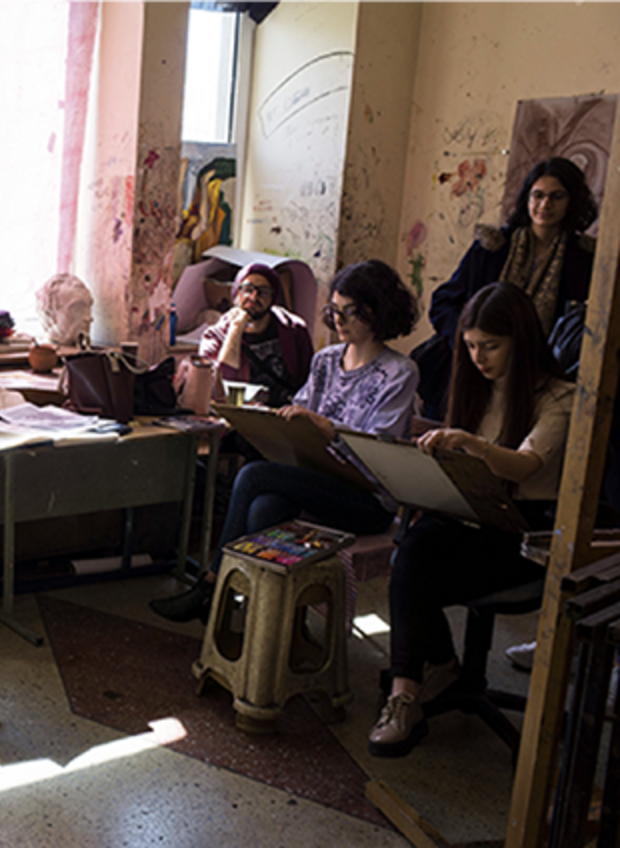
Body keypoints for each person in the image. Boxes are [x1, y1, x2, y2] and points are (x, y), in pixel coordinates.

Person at [151, 260, 419, 624]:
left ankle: (212, 586)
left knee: (254, 475)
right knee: (265, 508)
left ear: (378, 310)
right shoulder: (326, 361)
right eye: (334, 310)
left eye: (350, 311)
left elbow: (381, 448)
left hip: (366, 499)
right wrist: (273, 424)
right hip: (319, 480)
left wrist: (328, 429)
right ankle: (269, 625)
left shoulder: (399, 372)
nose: (338, 320)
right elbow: (299, 414)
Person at [369, 282, 573, 758]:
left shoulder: (558, 396)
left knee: (415, 564)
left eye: (491, 346)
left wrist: (472, 445)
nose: (479, 358)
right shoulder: (477, 387)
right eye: (471, 346)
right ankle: (408, 690)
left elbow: (525, 466)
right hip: (470, 515)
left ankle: (425, 679)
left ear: (521, 340)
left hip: (525, 534)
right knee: (413, 548)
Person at [415, 156, 597, 420]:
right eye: (538, 195)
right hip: (469, 373)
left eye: (557, 197)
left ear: (572, 201)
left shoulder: (584, 260)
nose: (545, 205)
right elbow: (443, 302)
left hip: (536, 380)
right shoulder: (492, 247)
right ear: (527, 198)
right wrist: (471, 344)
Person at [200, 263, 314, 408]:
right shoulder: (215, 335)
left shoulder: (293, 330)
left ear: (273, 298)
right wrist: (236, 329)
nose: (253, 297)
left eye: (263, 292)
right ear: (236, 293)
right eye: (247, 290)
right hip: (238, 412)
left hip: (283, 413)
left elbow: (309, 382)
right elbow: (221, 385)